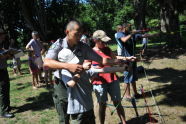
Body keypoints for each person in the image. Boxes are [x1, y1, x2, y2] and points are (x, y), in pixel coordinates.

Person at [44, 20, 124, 124]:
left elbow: (101, 60)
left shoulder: (83, 46)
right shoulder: (58, 45)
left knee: (81, 114)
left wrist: (118, 61)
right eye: (76, 34)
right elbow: (46, 63)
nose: (79, 37)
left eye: (81, 34)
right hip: (62, 85)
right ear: (67, 32)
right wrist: (68, 66)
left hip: (79, 83)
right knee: (65, 117)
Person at [92, 30, 137, 124]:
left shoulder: (107, 49)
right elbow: (100, 63)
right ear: (95, 40)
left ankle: (124, 122)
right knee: (102, 105)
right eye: (102, 41)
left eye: (105, 41)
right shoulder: (91, 52)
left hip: (112, 79)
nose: (105, 43)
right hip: (99, 82)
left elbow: (115, 58)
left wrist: (127, 58)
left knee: (117, 103)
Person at [115, 24, 141, 100]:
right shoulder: (119, 34)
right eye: (128, 27)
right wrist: (132, 33)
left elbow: (141, 36)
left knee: (133, 77)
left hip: (133, 58)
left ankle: (135, 93)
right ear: (124, 28)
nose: (130, 28)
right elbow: (124, 40)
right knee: (127, 77)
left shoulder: (130, 34)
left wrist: (150, 34)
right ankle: (127, 95)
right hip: (126, 59)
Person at [0, 28, 14, 118]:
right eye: (2, 34)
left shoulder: (0, 45)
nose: (4, 36)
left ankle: (7, 107)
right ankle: (3, 111)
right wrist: (5, 55)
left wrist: (10, 55)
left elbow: (4, 57)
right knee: (2, 90)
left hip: (3, 69)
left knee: (6, 88)